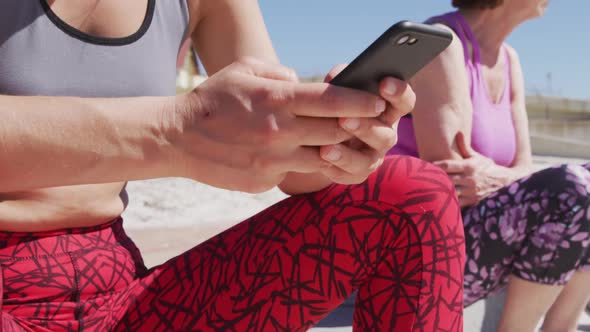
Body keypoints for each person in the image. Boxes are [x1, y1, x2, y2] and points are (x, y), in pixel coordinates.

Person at [0, 0, 465, 331]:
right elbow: (183, 130)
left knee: (412, 194)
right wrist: (174, 131)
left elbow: (295, 172)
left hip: (117, 295)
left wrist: (333, 137)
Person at [388, 0, 590, 331]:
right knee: (570, 188)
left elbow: (524, 166)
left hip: (482, 237)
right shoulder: (442, 43)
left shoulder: (509, 60)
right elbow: (454, 181)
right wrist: (514, 179)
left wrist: (499, 178)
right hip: (421, 254)